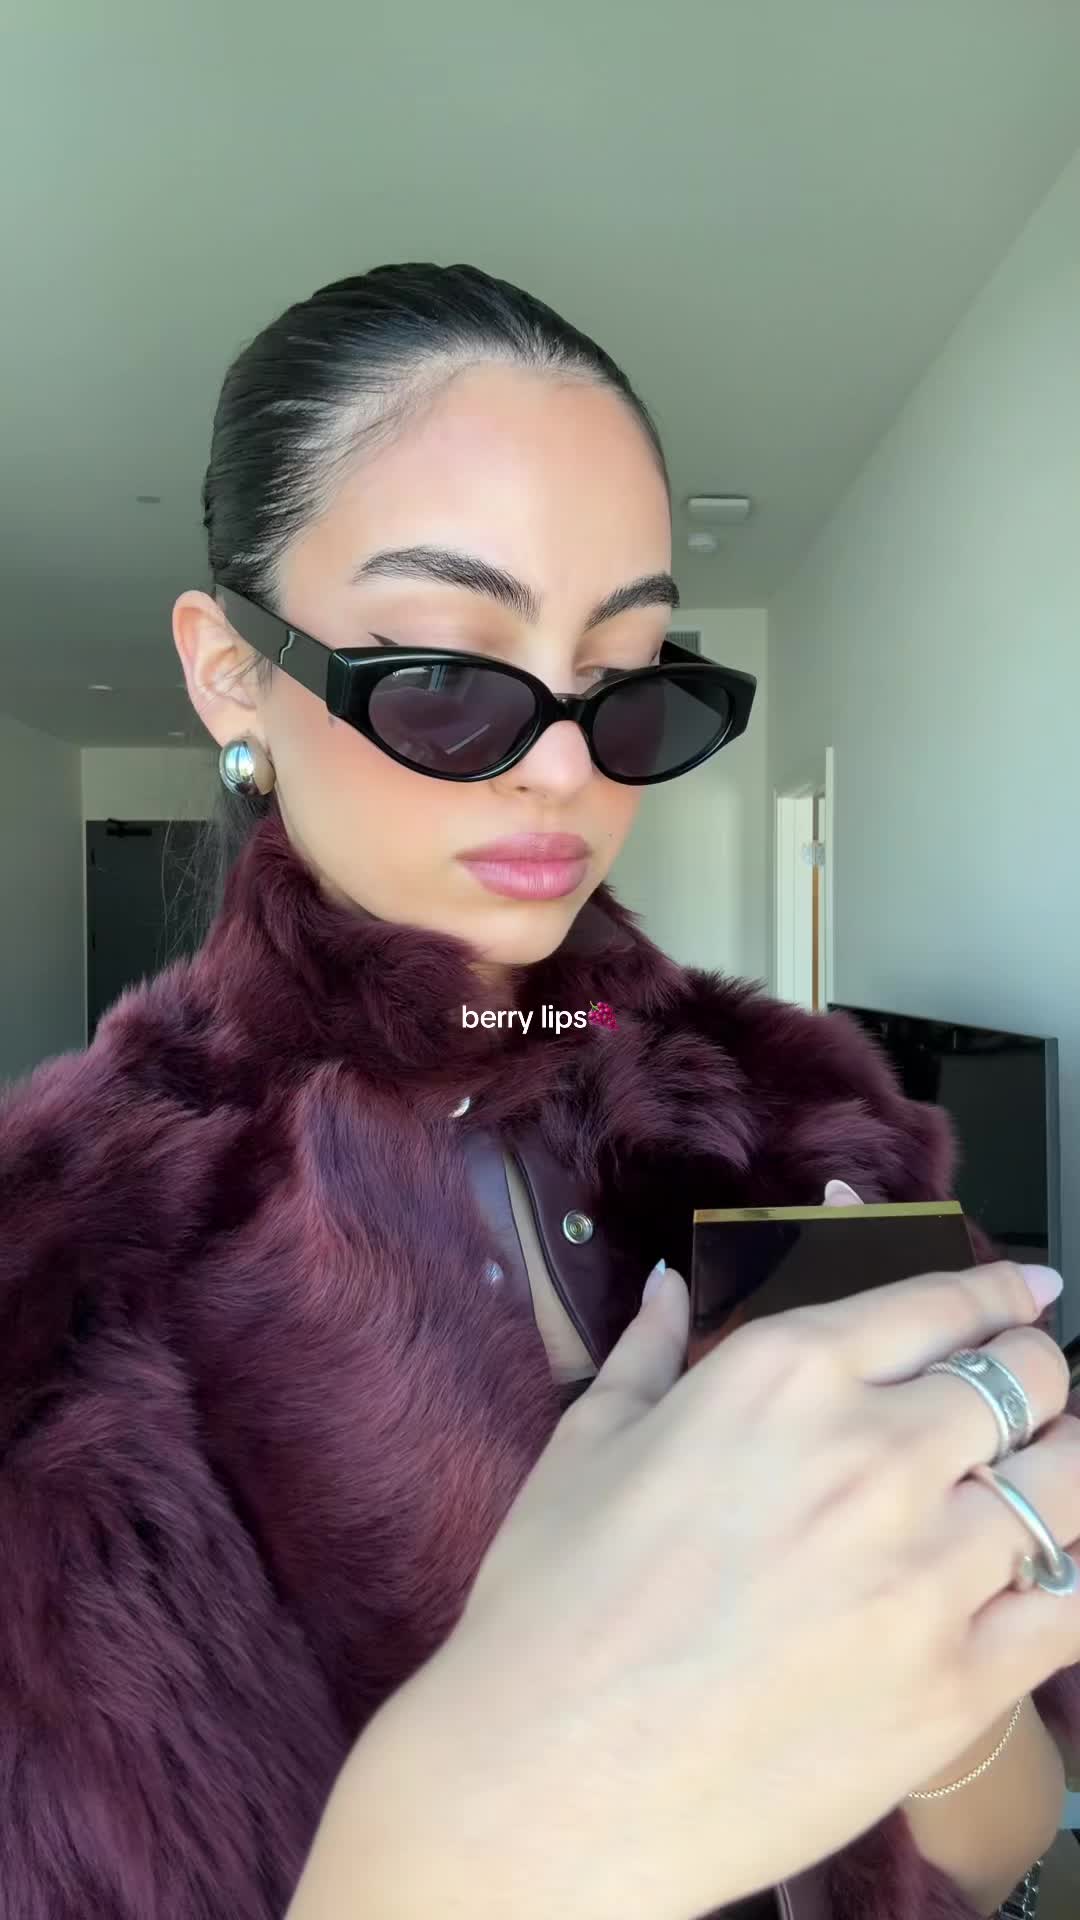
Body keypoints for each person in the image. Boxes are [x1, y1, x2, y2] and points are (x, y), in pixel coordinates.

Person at [1, 263, 1078, 1920]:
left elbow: (1005, 1830)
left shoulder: (806, 1125)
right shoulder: (44, 1272)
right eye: (446, 670)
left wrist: (914, 1652)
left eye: (628, 675)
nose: (566, 770)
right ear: (230, 674)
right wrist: (473, 1823)